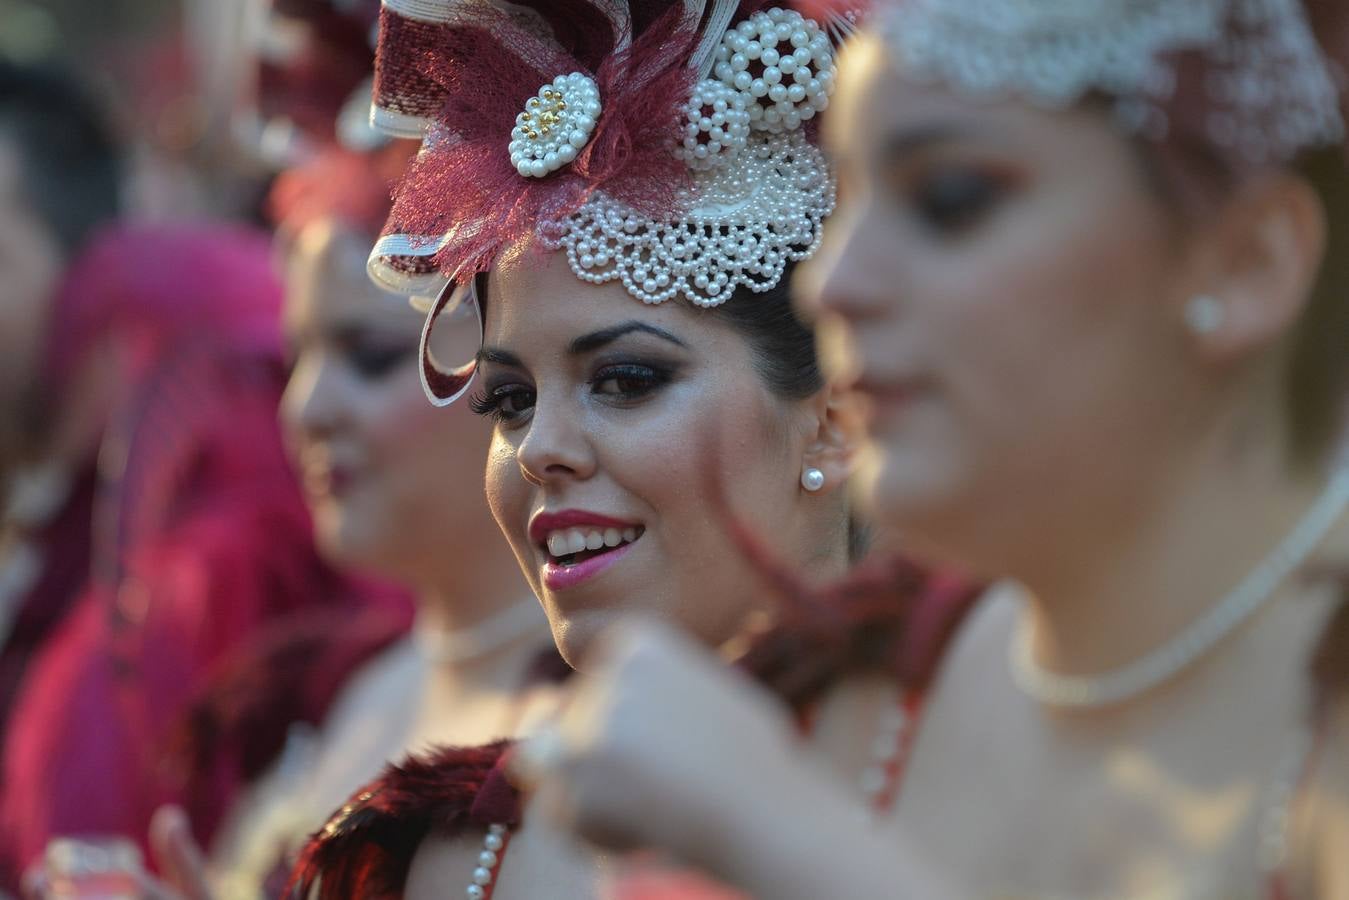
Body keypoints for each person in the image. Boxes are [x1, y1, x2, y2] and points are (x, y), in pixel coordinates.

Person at [497, 1, 1349, 897]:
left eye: (949, 201)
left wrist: (784, 838)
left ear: (1244, 259)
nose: (835, 285)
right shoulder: (865, 693)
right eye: (854, 203)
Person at [287, 3, 978, 898]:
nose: (540, 449)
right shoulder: (447, 862)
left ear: (834, 418)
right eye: (508, 401)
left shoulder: (1019, 786)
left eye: (625, 380)